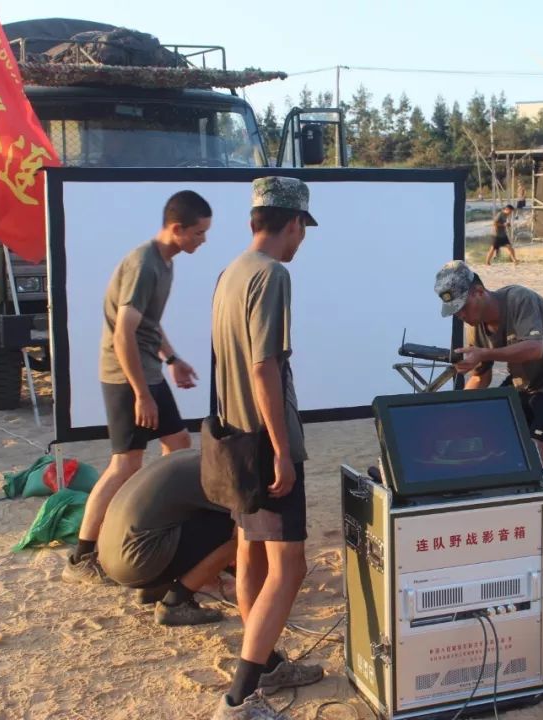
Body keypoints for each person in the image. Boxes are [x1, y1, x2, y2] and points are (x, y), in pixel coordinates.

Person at [210, 177, 323, 719]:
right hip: (264, 440)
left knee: (250, 551)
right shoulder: (272, 275)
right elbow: (264, 366)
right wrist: (281, 448)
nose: (301, 242)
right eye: (303, 230)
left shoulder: (231, 272)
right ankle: (240, 697)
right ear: (293, 223)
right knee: (290, 567)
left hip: (234, 438)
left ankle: (268, 660)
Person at [64, 190, 211, 584]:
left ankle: (161, 521)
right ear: (176, 228)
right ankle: (83, 555)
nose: (202, 240)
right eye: (198, 233)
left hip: (149, 373)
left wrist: (173, 359)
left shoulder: (166, 262)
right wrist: (142, 394)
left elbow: (148, 324)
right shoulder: (144, 264)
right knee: (124, 463)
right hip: (126, 377)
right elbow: (123, 336)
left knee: (178, 445)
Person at [434, 260, 543, 558]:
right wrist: (455, 413)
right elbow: (481, 376)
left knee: (538, 453)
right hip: (525, 382)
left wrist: (483, 353)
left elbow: (534, 348)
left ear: (479, 292)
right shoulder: (477, 327)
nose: (461, 315)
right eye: (455, 312)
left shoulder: (518, 299)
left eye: (462, 307)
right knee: (493, 439)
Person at [98, 449, 236, 625]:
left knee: (192, 516)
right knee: (241, 531)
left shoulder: (194, 457)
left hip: (109, 556)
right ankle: (176, 602)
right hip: (138, 561)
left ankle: (154, 587)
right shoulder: (224, 476)